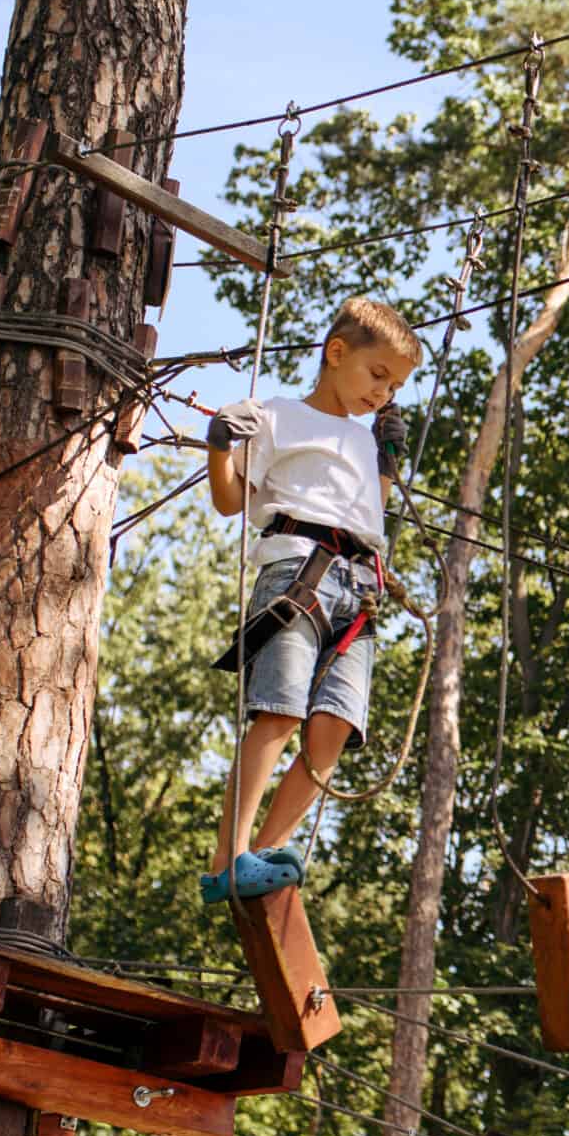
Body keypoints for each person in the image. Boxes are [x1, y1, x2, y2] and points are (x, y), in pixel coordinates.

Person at [198, 297, 421, 902]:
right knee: (280, 708)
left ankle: (264, 852)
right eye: (378, 376)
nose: (383, 394)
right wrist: (220, 445)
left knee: (334, 730)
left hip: (361, 585)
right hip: (300, 571)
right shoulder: (277, 416)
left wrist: (386, 459)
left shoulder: (364, 437)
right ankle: (230, 856)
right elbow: (229, 500)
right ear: (337, 352)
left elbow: (366, 510)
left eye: (395, 386)